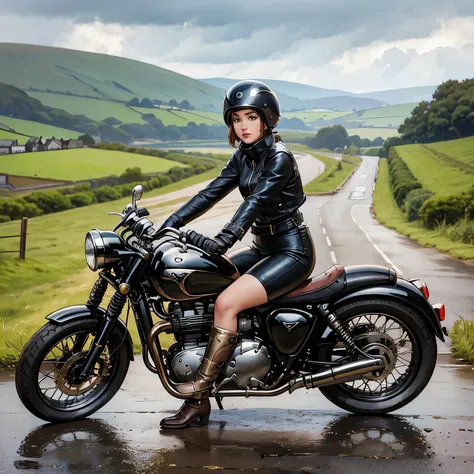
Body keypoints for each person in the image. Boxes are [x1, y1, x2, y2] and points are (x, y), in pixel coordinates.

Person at [158, 80, 316, 429]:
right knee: (206, 282)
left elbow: (255, 202)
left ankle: (199, 389)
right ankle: (202, 397)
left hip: (291, 251)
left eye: (250, 117)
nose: (243, 125)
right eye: (236, 118)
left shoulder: (279, 158)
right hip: (264, 247)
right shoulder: (245, 155)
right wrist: (167, 224)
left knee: (226, 303)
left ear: (267, 119)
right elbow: (210, 192)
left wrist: (224, 239)